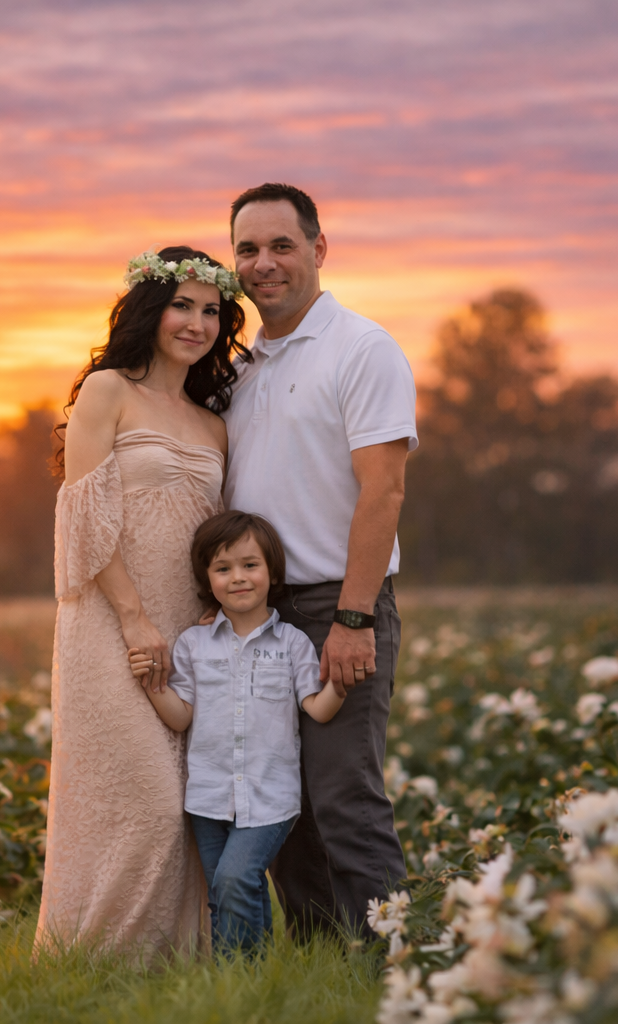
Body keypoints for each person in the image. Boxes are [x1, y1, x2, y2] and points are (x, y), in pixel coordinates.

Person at [37, 245, 250, 960]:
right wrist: (132, 617)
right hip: (109, 620)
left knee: (187, 805)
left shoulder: (214, 423)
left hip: (187, 631)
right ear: (151, 311)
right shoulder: (108, 390)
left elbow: (218, 536)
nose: (196, 322)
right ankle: (88, 963)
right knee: (144, 804)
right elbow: (84, 514)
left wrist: (214, 616)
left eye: (211, 311)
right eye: (181, 306)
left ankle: (168, 974)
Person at [224, 183, 417, 941]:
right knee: (280, 804)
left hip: (338, 603)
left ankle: (393, 969)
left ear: (317, 249)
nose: (264, 264)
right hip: (257, 615)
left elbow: (385, 491)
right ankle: (320, 964)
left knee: (343, 796)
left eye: (281, 246)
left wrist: (353, 617)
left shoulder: (362, 348)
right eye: (247, 248)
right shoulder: (237, 369)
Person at [131, 510, 343, 957]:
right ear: (207, 580)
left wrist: (339, 685)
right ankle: (257, 978)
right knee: (224, 893)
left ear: (272, 572)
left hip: (271, 798)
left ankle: (234, 980)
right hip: (208, 796)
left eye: (250, 565)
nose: (238, 578)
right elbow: (181, 716)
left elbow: (317, 710)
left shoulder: (292, 643)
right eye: (223, 569)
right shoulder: (193, 643)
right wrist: (153, 683)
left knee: (236, 878)